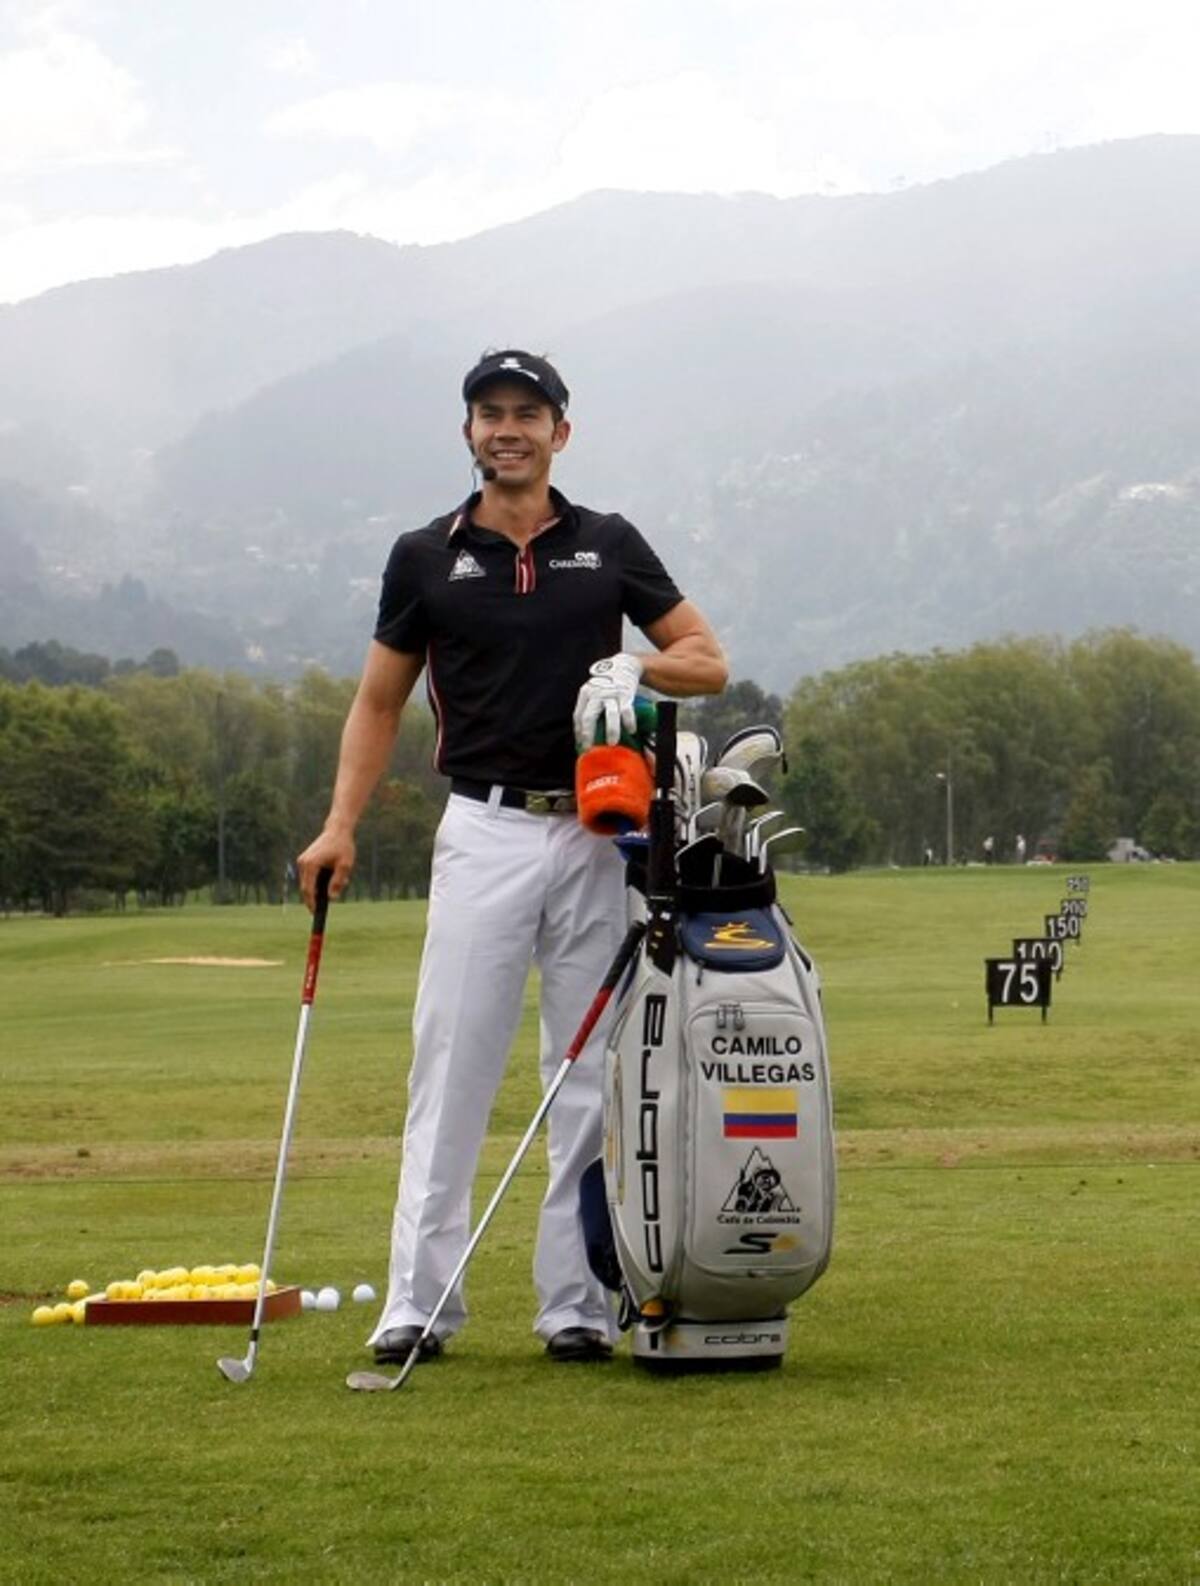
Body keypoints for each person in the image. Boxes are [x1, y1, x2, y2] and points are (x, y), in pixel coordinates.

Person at [297, 349, 726, 1367]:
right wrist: (338, 824)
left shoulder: (609, 545)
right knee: (451, 1066)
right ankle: (418, 1302)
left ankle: (572, 1302)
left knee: (586, 1076)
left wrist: (635, 661)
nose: (507, 429)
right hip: (482, 830)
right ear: (468, 434)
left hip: (596, 835)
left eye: (527, 414)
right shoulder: (423, 555)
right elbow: (378, 701)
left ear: (560, 432)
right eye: (489, 414)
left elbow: (707, 660)